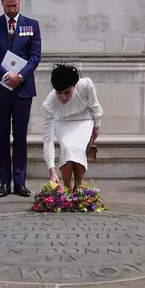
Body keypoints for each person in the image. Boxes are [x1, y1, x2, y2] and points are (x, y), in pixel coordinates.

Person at [0, 0, 41, 197]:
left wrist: (20, 76)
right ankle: (4, 183)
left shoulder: (31, 26)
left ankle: (20, 182)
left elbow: (35, 56)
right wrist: (6, 75)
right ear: (2, 4)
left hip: (23, 90)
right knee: (2, 137)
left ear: (20, 1)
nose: (12, 9)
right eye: (8, 6)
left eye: (14, 5)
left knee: (21, 137)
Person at [42, 63, 103, 192]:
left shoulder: (86, 85)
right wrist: (51, 171)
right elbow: (47, 139)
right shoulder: (49, 103)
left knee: (78, 148)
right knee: (67, 147)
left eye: (67, 92)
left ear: (74, 86)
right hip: (62, 122)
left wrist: (97, 126)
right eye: (59, 93)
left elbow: (95, 106)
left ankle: (79, 186)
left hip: (85, 119)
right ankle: (68, 189)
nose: (63, 97)